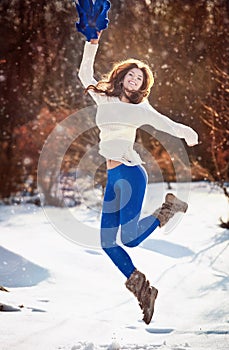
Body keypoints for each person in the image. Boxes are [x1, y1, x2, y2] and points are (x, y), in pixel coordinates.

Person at [78, 32, 198, 324]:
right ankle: (144, 290)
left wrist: (188, 133)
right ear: (122, 76)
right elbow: (84, 73)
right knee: (108, 242)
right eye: (131, 74)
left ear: (143, 86)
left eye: (140, 79)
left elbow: (166, 124)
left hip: (131, 174)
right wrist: (92, 42)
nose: (135, 79)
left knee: (129, 239)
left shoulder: (140, 108)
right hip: (113, 177)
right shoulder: (104, 98)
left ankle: (166, 210)